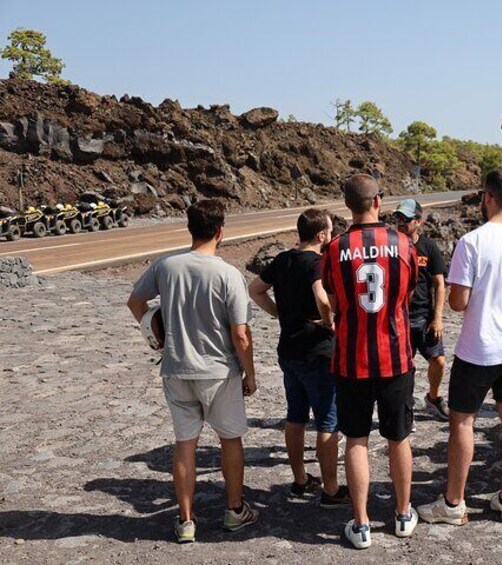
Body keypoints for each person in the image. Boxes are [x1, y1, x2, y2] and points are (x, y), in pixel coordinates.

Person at [126, 199, 259, 543]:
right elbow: (241, 335)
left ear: (189, 228)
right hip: (218, 371)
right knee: (230, 439)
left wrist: (154, 337)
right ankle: (234, 510)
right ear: (220, 231)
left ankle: (186, 520)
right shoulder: (229, 274)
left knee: (185, 443)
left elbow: (135, 302)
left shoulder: (166, 266)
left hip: (176, 368)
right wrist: (251, 374)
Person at [417, 170, 502, 525]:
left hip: (479, 347)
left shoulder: (472, 242)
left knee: (462, 422)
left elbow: (458, 301)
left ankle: (454, 503)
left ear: (487, 196)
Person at [322, 174, 419, 549]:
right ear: (378, 201)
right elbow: (407, 292)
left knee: (356, 440)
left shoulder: (334, 249)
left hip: (351, 359)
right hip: (395, 357)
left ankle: (360, 523)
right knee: (399, 438)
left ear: (348, 206)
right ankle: (402, 513)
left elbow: (332, 296)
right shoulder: (404, 244)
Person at [248, 208, 350, 508]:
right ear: (321, 235)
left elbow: (255, 289)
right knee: (327, 422)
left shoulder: (282, 259)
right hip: (317, 353)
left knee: (295, 418)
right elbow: (321, 298)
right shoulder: (317, 264)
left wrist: (280, 313)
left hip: (288, 350)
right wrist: (329, 321)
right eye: (330, 231)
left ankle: (301, 479)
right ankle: (331, 490)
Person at [393, 198, 449, 421]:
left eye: (406, 219)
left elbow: (439, 284)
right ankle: (405, 409)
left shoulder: (428, 247)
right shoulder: (392, 244)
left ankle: (433, 398)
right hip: (400, 317)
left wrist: (437, 318)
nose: (401, 223)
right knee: (405, 368)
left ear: (418, 221)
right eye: (398, 218)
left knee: (438, 361)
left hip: (424, 318)